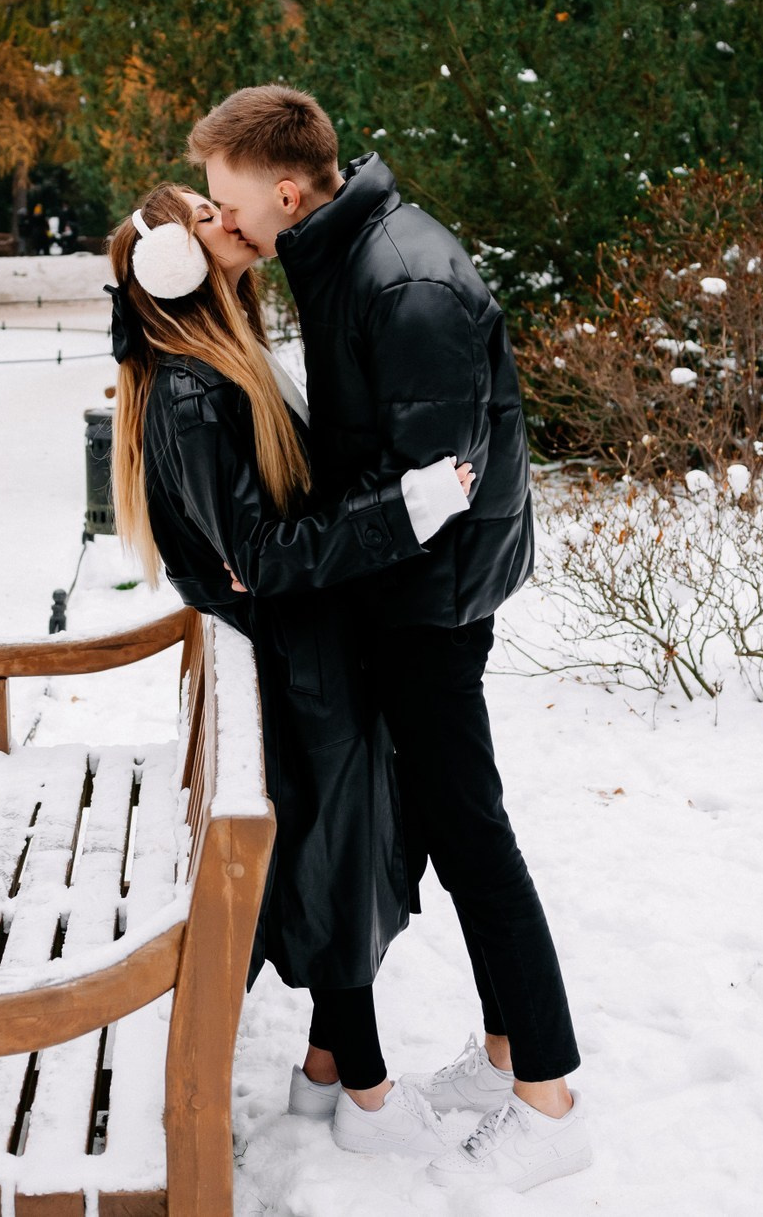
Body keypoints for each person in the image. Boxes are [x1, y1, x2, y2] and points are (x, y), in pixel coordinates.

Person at [191, 84, 591, 1195]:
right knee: (455, 824)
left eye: (226, 202)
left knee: (470, 836)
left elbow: (431, 491)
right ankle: (510, 1052)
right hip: (410, 591)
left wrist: (289, 558)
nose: (220, 225)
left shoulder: (401, 282)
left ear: (281, 189)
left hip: (430, 599)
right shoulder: (341, 254)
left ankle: (550, 1100)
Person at [104, 184, 478, 1160]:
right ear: (174, 265)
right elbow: (264, 556)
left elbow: (262, 545)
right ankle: (364, 1092)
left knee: (349, 854)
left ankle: (329, 1077)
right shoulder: (192, 388)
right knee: (338, 863)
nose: (231, 216)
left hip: (308, 652)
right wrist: (404, 510)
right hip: (298, 665)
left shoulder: (217, 358)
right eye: (205, 213)